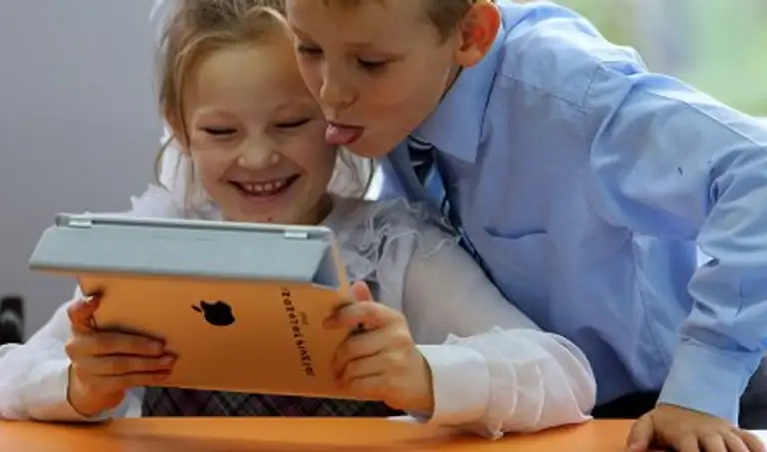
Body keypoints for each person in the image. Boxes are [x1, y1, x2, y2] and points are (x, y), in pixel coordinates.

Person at [0, 0, 595, 439]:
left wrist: (426, 375)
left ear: (335, 118)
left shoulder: (393, 252)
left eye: (292, 123)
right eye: (221, 131)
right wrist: (77, 388)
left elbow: (566, 375)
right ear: (181, 130)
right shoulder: (147, 253)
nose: (257, 157)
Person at [282, 0, 767, 451]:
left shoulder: (571, 97)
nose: (331, 92)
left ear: (470, 35)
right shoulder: (396, 84)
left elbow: (756, 173)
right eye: (308, 48)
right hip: (546, 404)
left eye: (371, 63)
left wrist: (702, 387)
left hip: (705, 395)